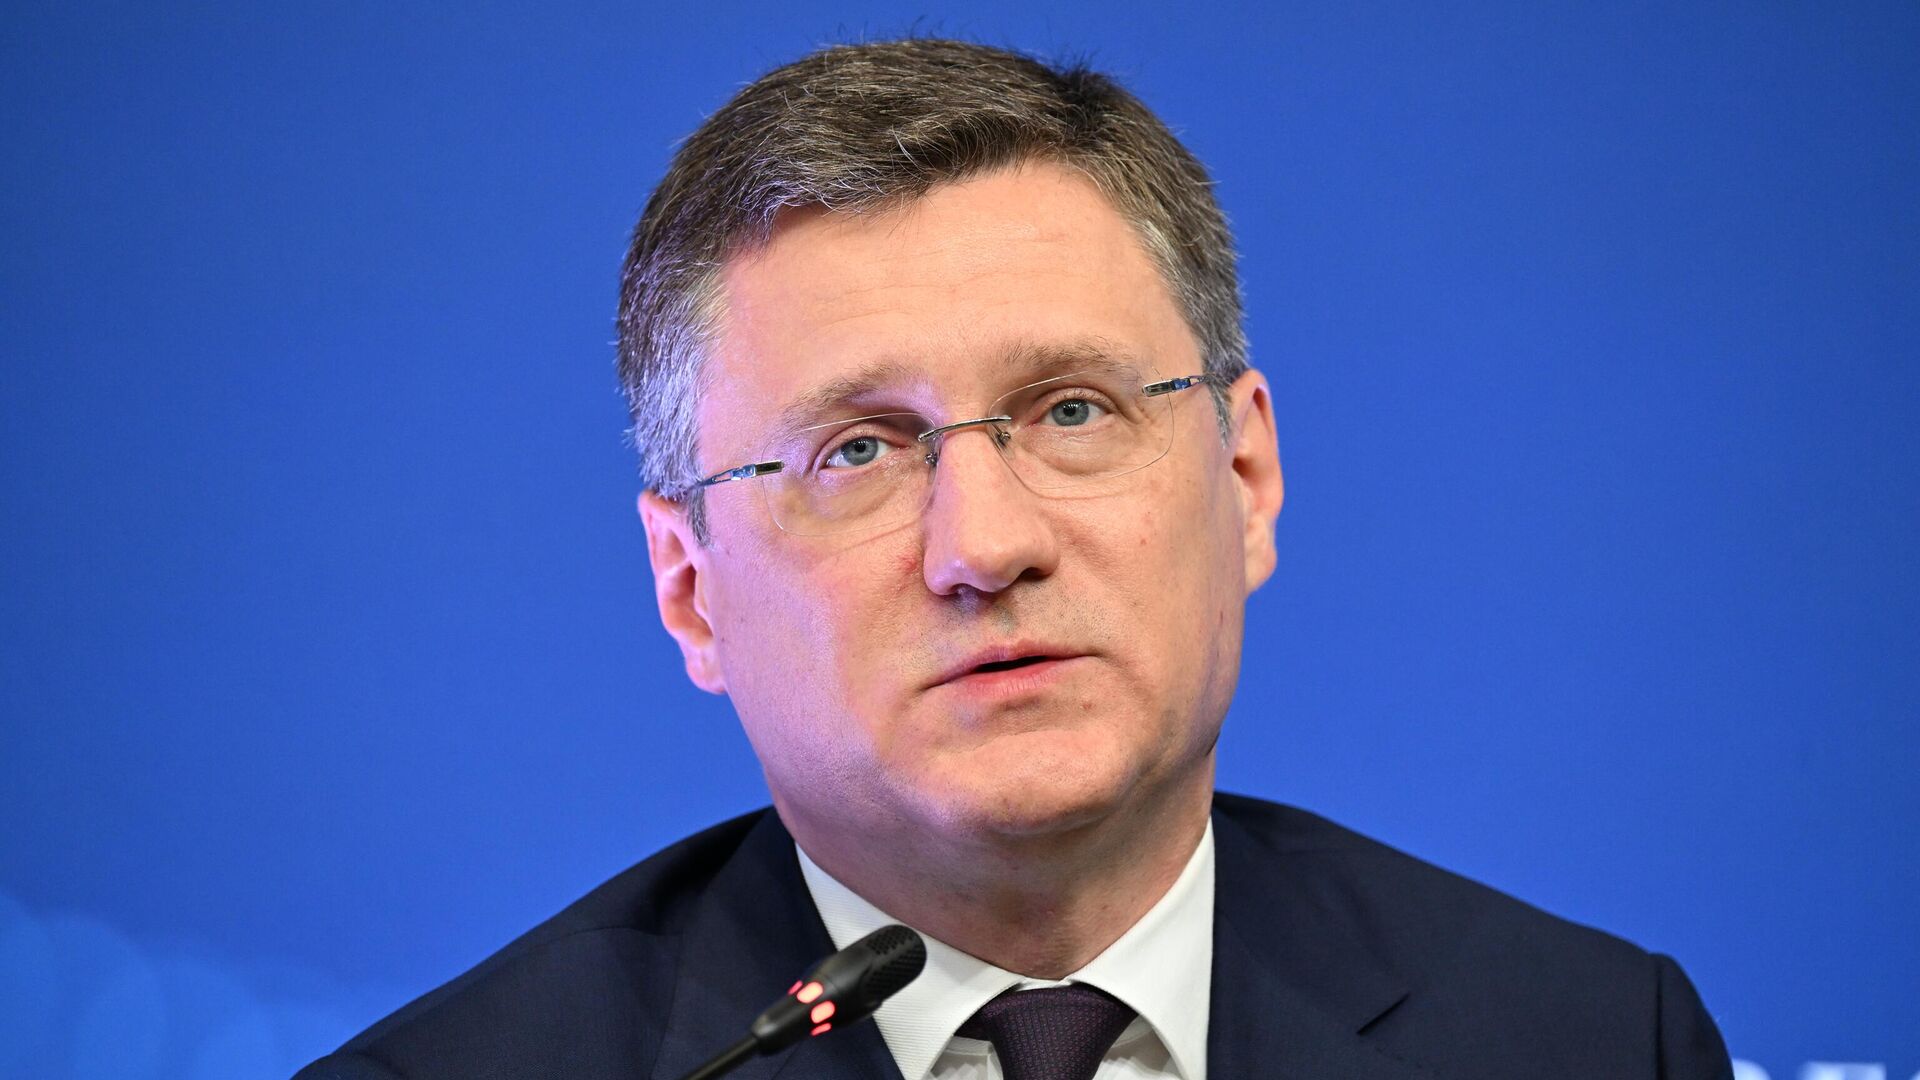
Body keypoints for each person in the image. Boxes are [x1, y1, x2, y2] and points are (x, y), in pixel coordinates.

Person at [296, 38, 1734, 1080]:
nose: (984, 545)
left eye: (1072, 411)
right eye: (857, 451)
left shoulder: (1594, 1042)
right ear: (692, 589)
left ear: (1245, 476)